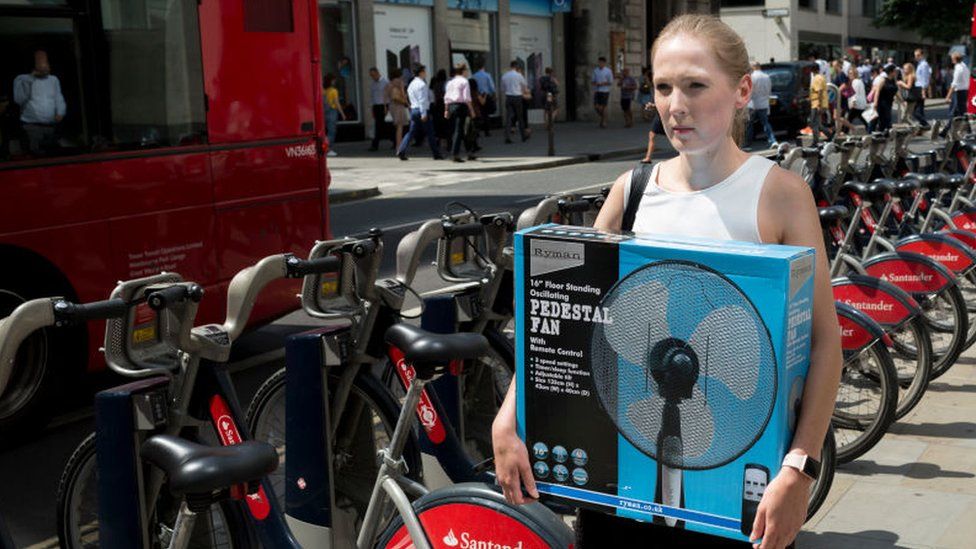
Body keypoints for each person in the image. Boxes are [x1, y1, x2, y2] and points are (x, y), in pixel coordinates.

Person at [493, 14, 840, 549]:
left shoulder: (779, 195)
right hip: (618, 498)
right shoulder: (629, 192)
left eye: (696, 85)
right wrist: (508, 419)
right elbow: (562, 318)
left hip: (736, 506)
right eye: (662, 86)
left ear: (742, 89)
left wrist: (800, 467)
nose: (676, 105)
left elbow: (824, 342)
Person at [13, 50, 66, 156]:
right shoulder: (21, 79)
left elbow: (58, 97)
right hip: (32, 128)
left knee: (53, 154)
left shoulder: (53, 80)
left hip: (51, 126)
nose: (45, 65)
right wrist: (31, 79)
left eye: (46, 62)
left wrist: (60, 112)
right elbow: (19, 99)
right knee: (36, 154)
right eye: (41, 62)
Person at [396, 64, 444, 161]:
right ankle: (436, 153)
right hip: (422, 109)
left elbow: (409, 97)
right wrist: (424, 114)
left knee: (411, 132)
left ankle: (401, 150)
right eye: (424, 71)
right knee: (430, 132)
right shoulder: (422, 84)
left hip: (414, 109)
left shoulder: (411, 84)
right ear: (421, 72)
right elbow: (422, 100)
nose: (425, 73)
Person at [444, 64, 476, 163]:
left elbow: (447, 97)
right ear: (463, 71)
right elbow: (467, 98)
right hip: (461, 106)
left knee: (459, 129)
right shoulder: (464, 81)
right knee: (461, 130)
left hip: (451, 106)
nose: (467, 72)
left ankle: (469, 152)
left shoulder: (450, 82)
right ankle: (455, 154)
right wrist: (471, 110)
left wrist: (446, 110)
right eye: (466, 70)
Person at [746, 61, 776, 148]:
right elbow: (769, 90)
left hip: (753, 103)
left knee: (749, 124)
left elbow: (750, 91)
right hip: (764, 103)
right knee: (765, 123)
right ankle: (773, 140)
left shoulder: (752, 77)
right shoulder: (767, 76)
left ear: (753, 67)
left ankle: (748, 143)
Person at [501, 60, 529, 143]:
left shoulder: (505, 76)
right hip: (517, 97)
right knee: (520, 117)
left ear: (510, 66)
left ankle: (507, 137)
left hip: (509, 97)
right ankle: (523, 136)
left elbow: (502, 88)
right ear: (516, 67)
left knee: (509, 117)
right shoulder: (519, 75)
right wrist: (522, 92)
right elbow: (524, 85)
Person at [385, 68, 410, 152]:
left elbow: (385, 97)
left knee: (397, 127)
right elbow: (403, 94)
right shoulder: (400, 82)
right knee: (400, 127)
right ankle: (399, 147)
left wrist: (386, 107)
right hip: (399, 105)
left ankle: (397, 145)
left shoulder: (389, 84)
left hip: (392, 105)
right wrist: (407, 104)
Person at [945, 51, 969, 135]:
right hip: (964, 91)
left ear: (955, 59)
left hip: (958, 92)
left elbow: (954, 84)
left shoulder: (958, 68)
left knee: (953, 112)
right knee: (961, 112)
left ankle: (945, 131)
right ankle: (968, 130)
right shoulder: (964, 66)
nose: (951, 60)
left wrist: (948, 96)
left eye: (952, 58)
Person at [368, 67, 391, 151]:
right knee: (381, 125)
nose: (372, 77)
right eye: (371, 76)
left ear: (377, 73)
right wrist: (371, 108)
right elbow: (372, 96)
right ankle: (393, 138)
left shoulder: (385, 82)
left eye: (373, 75)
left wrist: (386, 107)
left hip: (383, 105)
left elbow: (387, 95)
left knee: (378, 125)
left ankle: (375, 145)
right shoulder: (373, 84)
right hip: (376, 106)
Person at [322, 73, 345, 157]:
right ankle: (328, 149)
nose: (335, 81)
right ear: (331, 81)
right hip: (332, 112)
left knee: (326, 131)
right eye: (334, 80)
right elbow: (337, 103)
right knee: (332, 132)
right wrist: (342, 114)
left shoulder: (324, 91)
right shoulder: (334, 91)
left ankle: (325, 148)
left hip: (324, 112)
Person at [472, 64, 496, 136]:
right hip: (486, 95)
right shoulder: (487, 75)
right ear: (483, 67)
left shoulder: (474, 76)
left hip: (478, 96)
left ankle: (478, 131)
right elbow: (491, 86)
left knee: (479, 113)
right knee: (486, 114)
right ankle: (487, 131)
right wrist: (494, 94)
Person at [873, 64, 898, 132]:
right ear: (891, 72)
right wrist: (875, 103)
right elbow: (877, 91)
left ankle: (883, 133)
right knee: (883, 119)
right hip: (882, 103)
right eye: (895, 71)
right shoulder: (883, 80)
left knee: (886, 119)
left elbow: (896, 92)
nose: (896, 73)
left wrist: (902, 101)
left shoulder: (893, 81)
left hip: (889, 103)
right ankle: (879, 133)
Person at [591, 57, 614, 128]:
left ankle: (603, 121)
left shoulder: (608, 71)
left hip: (605, 90)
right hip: (597, 90)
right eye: (599, 62)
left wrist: (604, 83)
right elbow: (592, 81)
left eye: (601, 62)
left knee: (603, 106)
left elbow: (610, 81)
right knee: (596, 106)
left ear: (604, 63)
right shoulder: (596, 70)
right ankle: (603, 118)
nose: (600, 64)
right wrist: (596, 83)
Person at [809, 68, 828, 143]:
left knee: (813, 123)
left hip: (816, 104)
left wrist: (819, 105)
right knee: (818, 124)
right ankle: (830, 134)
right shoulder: (821, 77)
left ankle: (815, 141)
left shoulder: (817, 78)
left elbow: (819, 91)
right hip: (819, 103)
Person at [913, 49, 931, 128]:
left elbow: (924, 78)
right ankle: (923, 125)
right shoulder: (920, 64)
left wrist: (923, 91)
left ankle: (925, 124)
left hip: (920, 88)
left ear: (922, 55)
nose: (916, 57)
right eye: (915, 55)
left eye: (918, 55)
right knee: (919, 109)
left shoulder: (924, 64)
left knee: (916, 111)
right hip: (917, 88)